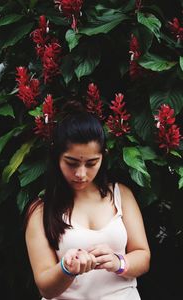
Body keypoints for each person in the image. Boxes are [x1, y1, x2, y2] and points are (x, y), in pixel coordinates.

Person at [25, 101, 151, 300]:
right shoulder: (41, 211)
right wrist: (67, 268)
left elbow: (143, 256)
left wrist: (120, 262)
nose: (81, 174)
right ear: (57, 158)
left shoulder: (120, 195)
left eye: (92, 163)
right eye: (71, 163)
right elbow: (45, 288)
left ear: (103, 157)